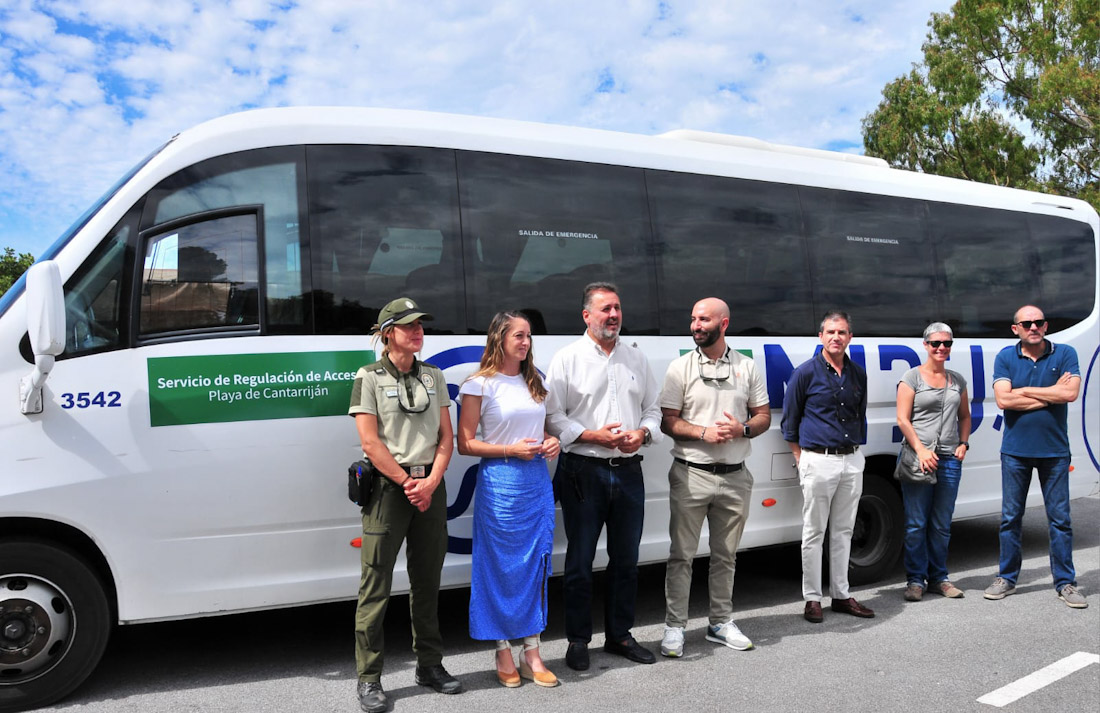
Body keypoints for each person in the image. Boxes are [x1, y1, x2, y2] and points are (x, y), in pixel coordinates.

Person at [348, 297, 462, 713]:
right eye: (408, 325)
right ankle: (369, 678)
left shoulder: (434, 375)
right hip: (388, 490)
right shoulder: (369, 377)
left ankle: (429, 666)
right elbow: (370, 442)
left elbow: (446, 439)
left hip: (429, 487)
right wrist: (406, 483)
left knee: (427, 581)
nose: (418, 331)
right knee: (375, 585)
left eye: (420, 325)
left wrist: (430, 481)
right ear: (387, 333)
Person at [545, 282, 664, 670]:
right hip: (583, 470)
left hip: (629, 472)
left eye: (617, 308)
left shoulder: (635, 358)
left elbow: (654, 410)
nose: (613, 315)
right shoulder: (567, 358)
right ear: (587, 316)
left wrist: (643, 433)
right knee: (579, 562)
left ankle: (620, 636)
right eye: (604, 310)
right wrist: (589, 435)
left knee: (626, 560)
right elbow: (552, 416)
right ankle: (578, 640)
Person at [658, 298, 770, 657]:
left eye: (703, 319)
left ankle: (720, 623)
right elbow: (668, 421)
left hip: (736, 477)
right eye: (693, 319)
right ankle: (675, 627)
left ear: (724, 324)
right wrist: (703, 433)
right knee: (682, 556)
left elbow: (764, 416)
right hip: (691, 474)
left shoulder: (747, 367)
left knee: (726, 555)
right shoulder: (679, 367)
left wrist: (744, 429)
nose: (695, 325)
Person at [456, 311, 561, 688]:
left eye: (529, 336)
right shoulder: (478, 384)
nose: (525, 342)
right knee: (500, 566)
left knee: (535, 562)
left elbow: (545, 429)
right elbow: (465, 443)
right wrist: (508, 450)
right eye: (518, 335)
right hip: (500, 483)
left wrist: (553, 441)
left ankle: (531, 650)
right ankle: (502, 648)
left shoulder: (536, 381)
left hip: (535, 482)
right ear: (499, 337)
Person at [984, 305, 1087, 608]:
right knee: (1010, 518)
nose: (1034, 327)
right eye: (1027, 323)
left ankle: (1065, 583)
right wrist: (1048, 392)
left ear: (1046, 325)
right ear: (1015, 328)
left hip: (1054, 452)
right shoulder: (1006, 356)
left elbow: (1069, 395)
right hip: (1015, 452)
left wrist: (1025, 390)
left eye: (1039, 322)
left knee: (1060, 520)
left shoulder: (1065, 353)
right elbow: (1004, 399)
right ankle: (1007, 578)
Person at [781, 311, 875, 623]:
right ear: (821, 336)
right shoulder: (805, 373)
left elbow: (859, 415)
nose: (837, 337)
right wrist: (801, 458)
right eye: (831, 331)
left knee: (844, 530)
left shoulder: (857, 373)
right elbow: (789, 423)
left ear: (850, 337)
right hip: (817, 459)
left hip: (851, 459)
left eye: (843, 332)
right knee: (814, 531)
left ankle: (841, 594)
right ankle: (812, 598)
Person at [895, 322, 971, 602]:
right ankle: (915, 580)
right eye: (936, 343)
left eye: (947, 343)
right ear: (925, 345)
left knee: (941, 524)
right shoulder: (912, 377)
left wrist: (963, 443)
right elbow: (902, 419)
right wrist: (922, 450)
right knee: (916, 523)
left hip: (950, 460)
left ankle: (940, 577)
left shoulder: (957, 380)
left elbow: (965, 416)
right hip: (918, 459)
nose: (941, 348)